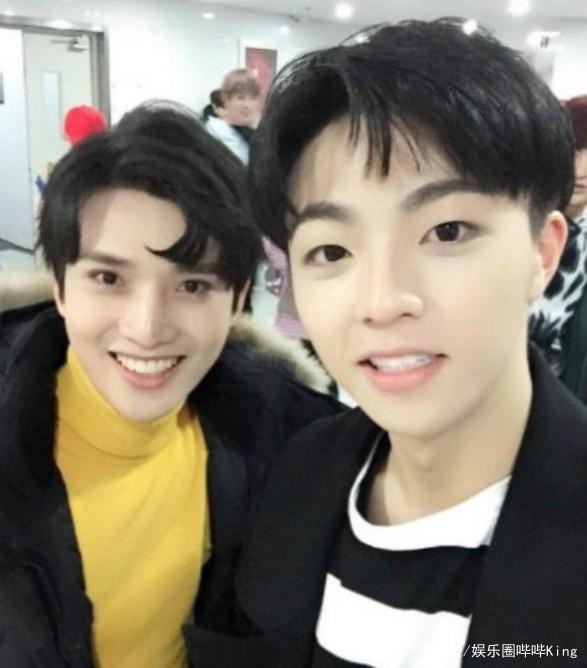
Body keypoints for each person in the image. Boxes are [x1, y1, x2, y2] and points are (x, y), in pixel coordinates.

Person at [187, 19, 587, 667]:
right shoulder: (296, 474)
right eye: (331, 251)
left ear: (542, 253)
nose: (381, 300)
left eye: (447, 232)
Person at [0, 101, 341, 667]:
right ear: (60, 287)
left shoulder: (287, 440)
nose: (147, 328)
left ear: (237, 299)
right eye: (108, 278)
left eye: (193, 286)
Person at [530, 94, 587, 398]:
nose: (582, 169)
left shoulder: (582, 241)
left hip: (550, 393)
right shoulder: (521, 221)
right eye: (576, 151)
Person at [204, 68, 260, 164]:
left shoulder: (260, 133)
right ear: (226, 100)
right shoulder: (213, 134)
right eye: (240, 98)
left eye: (253, 98)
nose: (247, 105)